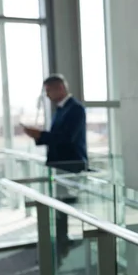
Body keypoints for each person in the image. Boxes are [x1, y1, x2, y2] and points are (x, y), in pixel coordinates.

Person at [22, 74, 88, 263]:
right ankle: (61, 246)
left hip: (69, 166)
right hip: (59, 166)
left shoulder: (75, 109)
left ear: (59, 88)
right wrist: (38, 136)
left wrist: (41, 135)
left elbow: (66, 138)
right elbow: (57, 137)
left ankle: (61, 247)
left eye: (48, 91)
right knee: (59, 210)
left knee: (63, 208)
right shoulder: (60, 110)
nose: (47, 95)